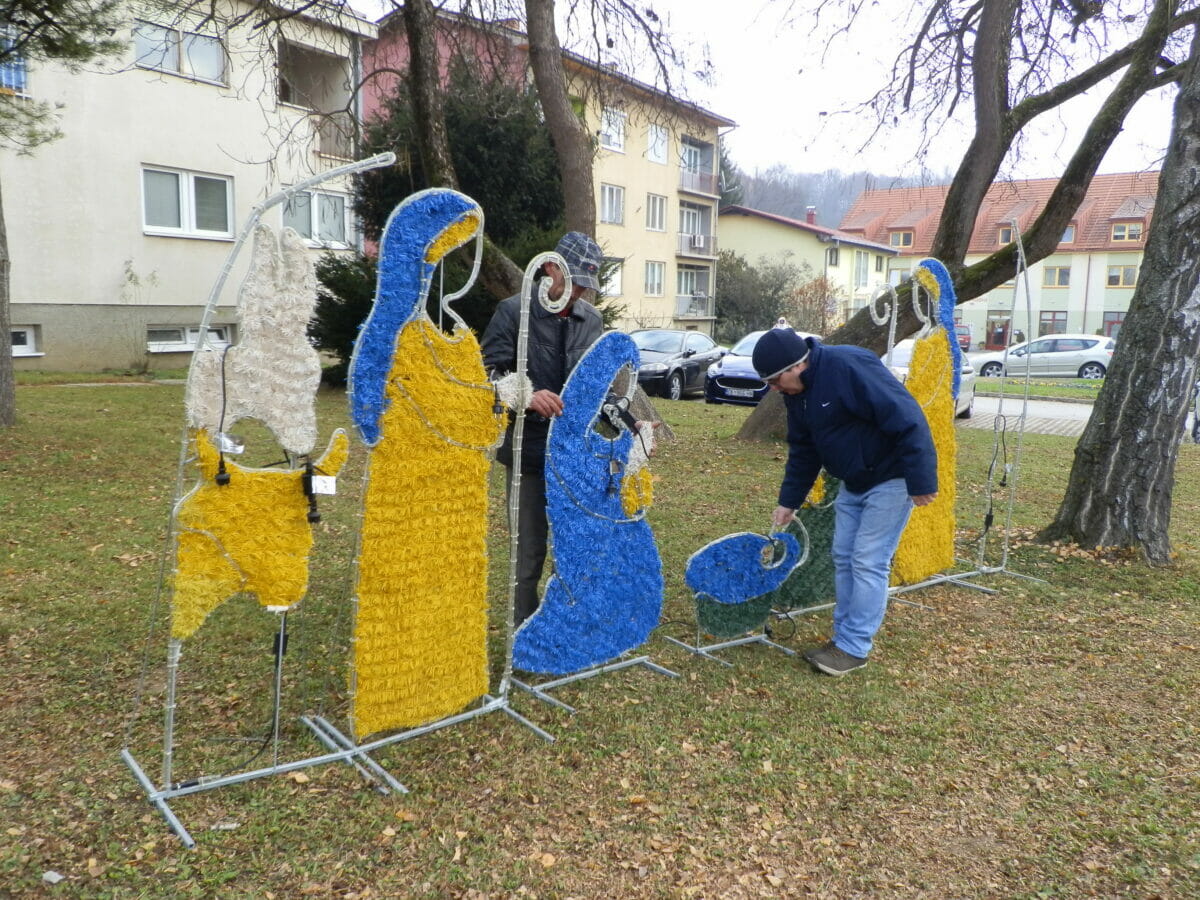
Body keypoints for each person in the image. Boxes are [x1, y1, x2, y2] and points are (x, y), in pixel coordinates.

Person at [752, 328, 938, 676]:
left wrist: (922, 479)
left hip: (892, 477)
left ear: (798, 366)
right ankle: (842, 639)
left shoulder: (850, 366)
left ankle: (854, 648)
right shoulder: (797, 395)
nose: (774, 390)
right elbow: (804, 451)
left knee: (868, 560)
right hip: (853, 482)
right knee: (843, 555)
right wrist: (788, 501)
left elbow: (908, 417)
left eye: (775, 381)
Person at [480, 231, 605, 626]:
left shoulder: (592, 320)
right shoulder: (513, 312)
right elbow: (484, 376)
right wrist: (526, 394)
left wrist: (628, 425)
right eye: (577, 283)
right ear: (551, 268)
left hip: (575, 455)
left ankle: (563, 627)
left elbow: (598, 381)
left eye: (588, 286)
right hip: (527, 451)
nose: (581, 293)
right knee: (527, 549)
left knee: (574, 545)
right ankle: (524, 632)